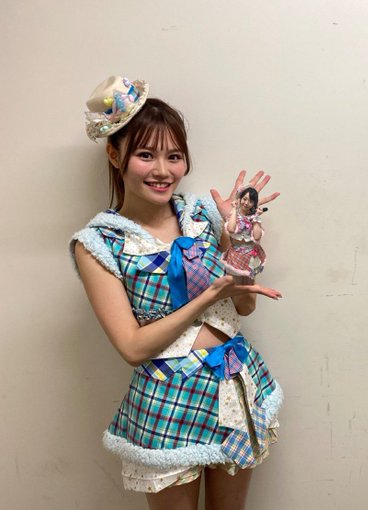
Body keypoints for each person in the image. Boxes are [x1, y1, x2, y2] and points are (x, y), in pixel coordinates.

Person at [71, 75, 284, 510]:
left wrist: (240, 239)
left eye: (174, 156)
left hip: (233, 381)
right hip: (168, 400)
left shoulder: (203, 215)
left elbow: (243, 305)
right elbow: (132, 347)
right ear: (115, 155)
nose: (163, 171)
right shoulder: (98, 243)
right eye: (146, 155)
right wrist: (207, 296)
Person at [222, 186, 267, 279]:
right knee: (233, 282)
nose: (246, 203)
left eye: (250, 201)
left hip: (251, 255)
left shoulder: (254, 217)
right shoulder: (234, 215)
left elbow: (257, 236)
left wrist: (256, 217)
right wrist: (235, 208)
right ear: (240, 199)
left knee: (249, 282)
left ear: (254, 204)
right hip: (235, 255)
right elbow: (231, 229)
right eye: (245, 199)